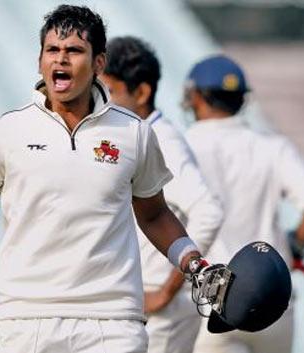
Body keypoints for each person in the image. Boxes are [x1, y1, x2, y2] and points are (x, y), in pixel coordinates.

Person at [0, 5, 212, 353]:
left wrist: (192, 262)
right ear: (40, 60)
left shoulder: (134, 133)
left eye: (74, 51)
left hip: (113, 322)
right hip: (24, 321)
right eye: (53, 51)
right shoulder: (7, 131)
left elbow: (154, 214)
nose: (61, 60)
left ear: (98, 64)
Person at [99, 36, 223, 353]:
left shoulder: (163, 140)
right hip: (138, 303)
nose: (101, 100)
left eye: (110, 91)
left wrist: (166, 291)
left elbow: (209, 210)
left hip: (161, 311)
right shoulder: (131, 136)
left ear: (142, 92)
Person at [182, 54, 304, 353]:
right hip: (272, 302)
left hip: (210, 302)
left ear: (196, 96)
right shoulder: (272, 147)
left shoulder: (182, 144)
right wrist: (294, 248)